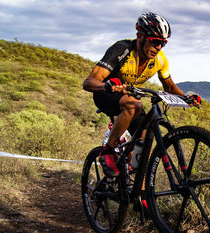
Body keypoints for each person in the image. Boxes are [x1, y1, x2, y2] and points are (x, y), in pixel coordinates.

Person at [83, 12, 198, 177]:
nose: (158, 47)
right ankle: (107, 151)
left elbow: (169, 86)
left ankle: (140, 197)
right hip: (105, 94)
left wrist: (186, 98)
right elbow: (89, 82)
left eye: (163, 44)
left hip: (130, 100)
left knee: (144, 149)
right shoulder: (122, 49)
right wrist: (107, 86)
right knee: (134, 104)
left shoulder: (160, 59)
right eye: (155, 42)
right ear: (140, 36)